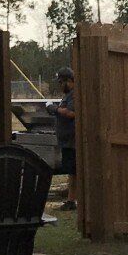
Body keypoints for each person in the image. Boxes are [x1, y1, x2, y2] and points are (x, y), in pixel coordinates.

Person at [51, 66, 78, 210]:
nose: (61, 85)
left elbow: (72, 113)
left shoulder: (74, 95)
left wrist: (56, 110)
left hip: (73, 141)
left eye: (62, 82)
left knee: (74, 171)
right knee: (71, 171)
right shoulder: (67, 96)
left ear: (69, 81)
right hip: (67, 141)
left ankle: (72, 200)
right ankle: (70, 199)